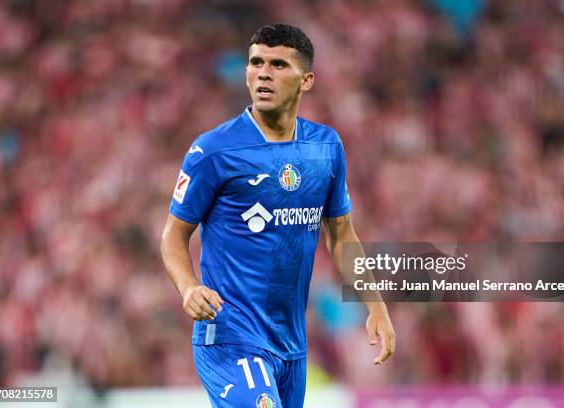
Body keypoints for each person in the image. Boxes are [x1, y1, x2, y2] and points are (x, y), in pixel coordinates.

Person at [161, 23, 396, 408]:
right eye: (256, 62)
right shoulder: (214, 151)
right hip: (229, 336)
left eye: (278, 64)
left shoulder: (325, 148)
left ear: (306, 80)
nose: (263, 73)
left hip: (290, 344)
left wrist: (375, 304)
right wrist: (189, 287)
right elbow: (173, 235)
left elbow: (341, 235)